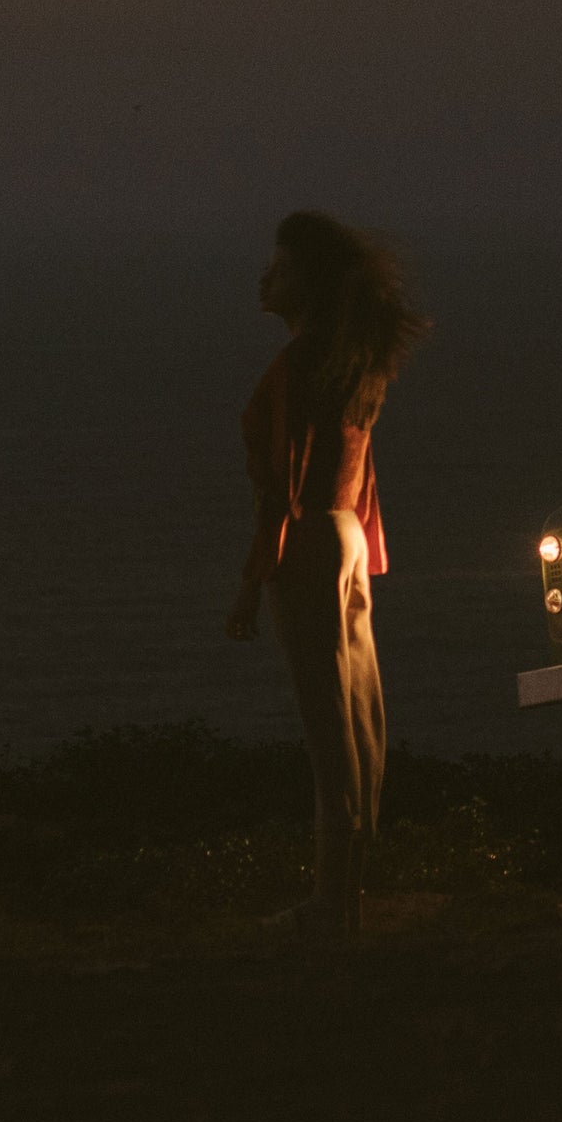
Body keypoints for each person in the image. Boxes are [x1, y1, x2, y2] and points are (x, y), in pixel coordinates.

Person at [226, 211, 429, 942]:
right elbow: (358, 470)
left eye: (277, 268)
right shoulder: (350, 359)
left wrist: (255, 580)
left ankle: (329, 908)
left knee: (327, 730)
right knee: (364, 721)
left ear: (304, 281)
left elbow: (280, 488)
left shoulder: (297, 366)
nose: (264, 278)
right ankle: (348, 898)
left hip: (310, 540)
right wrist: (366, 556)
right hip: (347, 535)